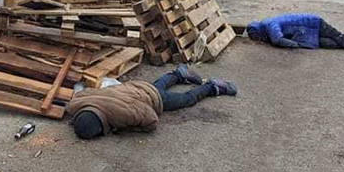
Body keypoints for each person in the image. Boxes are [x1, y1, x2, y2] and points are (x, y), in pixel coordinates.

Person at [65, 65, 238, 140]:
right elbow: (81, 93)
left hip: (154, 98)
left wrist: (127, 129)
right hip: (135, 86)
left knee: (187, 99)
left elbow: (151, 120)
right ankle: (178, 73)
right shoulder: (77, 103)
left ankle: (212, 87)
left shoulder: (122, 115)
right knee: (157, 85)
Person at [246, 13, 344, 59]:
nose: (257, 40)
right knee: (334, 44)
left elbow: (278, 39)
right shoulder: (266, 26)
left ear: (259, 31)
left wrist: (292, 46)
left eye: (255, 37)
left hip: (316, 25)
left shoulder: (269, 24)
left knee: (342, 40)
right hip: (308, 35)